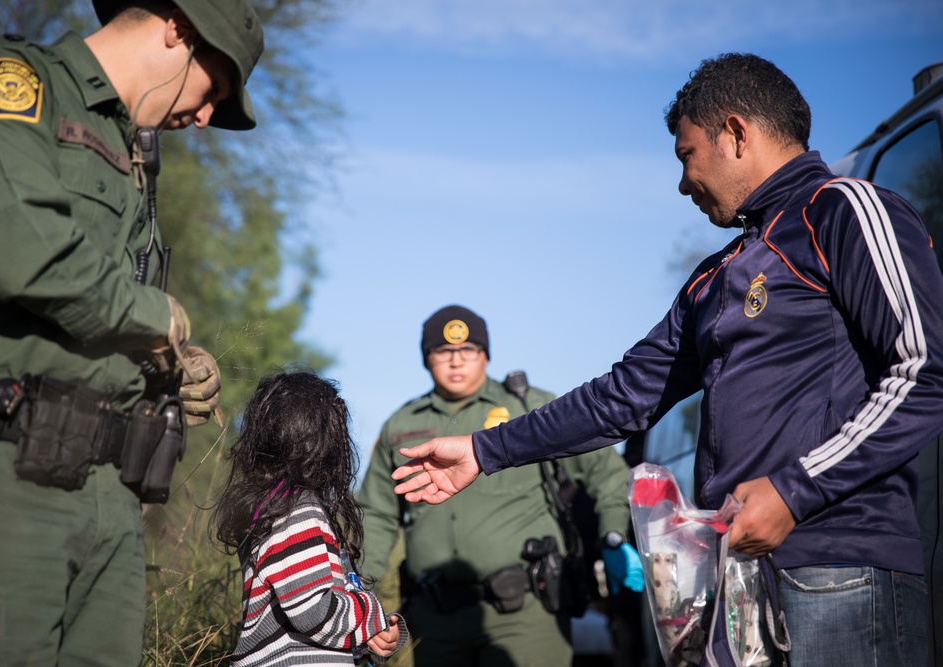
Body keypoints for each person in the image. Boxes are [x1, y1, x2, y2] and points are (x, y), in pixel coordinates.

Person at [392, 53, 943, 667]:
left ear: (735, 133)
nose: (683, 182)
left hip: (841, 573)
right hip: (736, 589)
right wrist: (482, 450)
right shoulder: (715, 276)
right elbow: (622, 396)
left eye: (687, 154)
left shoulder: (844, 209)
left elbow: (926, 372)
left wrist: (793, 492)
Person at [0, 0, 262, 664]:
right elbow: (17, 242)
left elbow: (114, 312)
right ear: (179, 27)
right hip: (9, 474)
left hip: (112, 499)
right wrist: (156, 321)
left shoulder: (137, 161)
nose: (204, 118)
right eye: (215, 88)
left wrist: (177, 366)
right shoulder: (12, 81)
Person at [357, 304, 637, 667]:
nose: (456, 361)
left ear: (486, 356)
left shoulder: (529, 407)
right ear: (427, 359)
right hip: (435, 619)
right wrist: (363, 595)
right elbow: (375, 516)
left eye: (468, 350)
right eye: (443, 352)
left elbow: (607, 472)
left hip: (526, 616)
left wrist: (613, 534)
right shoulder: (401, 424)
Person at [210, 370, 408, 666]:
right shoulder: (295, 512)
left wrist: (370, 641)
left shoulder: (284, 508)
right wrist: (372, 614)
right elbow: (315, 613)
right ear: (325, 443)